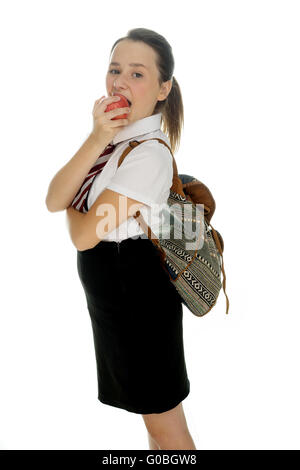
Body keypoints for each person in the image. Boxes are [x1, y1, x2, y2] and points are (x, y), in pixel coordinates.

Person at [45, 27, 196, 451]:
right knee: (153, 426)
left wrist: (78, 211)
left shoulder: (147, 153)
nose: (120, 82)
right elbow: (54, 198)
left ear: (164, 88)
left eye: (137, 74)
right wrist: (95, 137)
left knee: (167, 429)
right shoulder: (111, 142)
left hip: (140, 307)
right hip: (117, 305)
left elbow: (82, 235)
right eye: (115, 70)